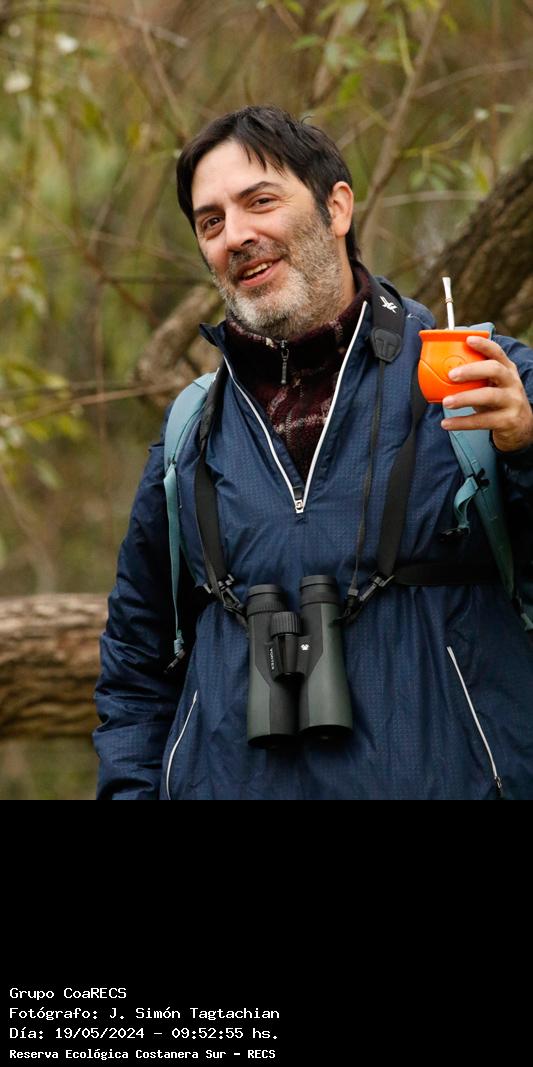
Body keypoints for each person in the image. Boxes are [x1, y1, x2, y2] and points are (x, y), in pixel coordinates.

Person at [93, 105, 533, 800]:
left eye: (260, 201)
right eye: (210, 222)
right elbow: (134, 666)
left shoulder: (487, 381)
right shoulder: (193, 432)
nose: (236, 235)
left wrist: (526, 449)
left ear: (337, 208)